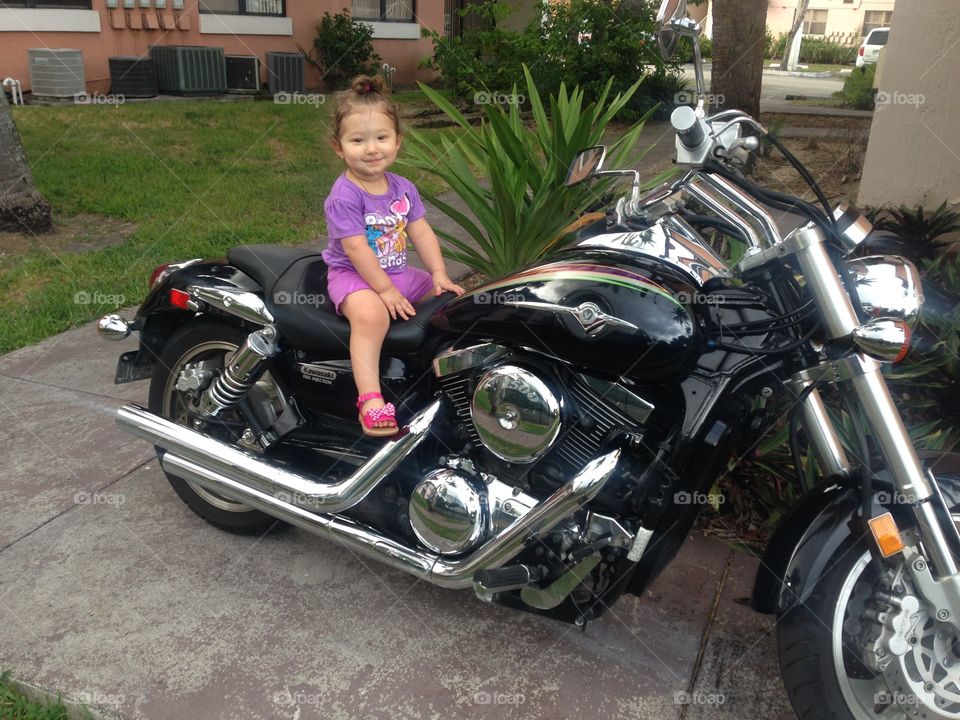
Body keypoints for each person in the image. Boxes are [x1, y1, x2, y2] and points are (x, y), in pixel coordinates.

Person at [323, 75, 464, 437]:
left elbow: (420, 230)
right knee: (371, 317)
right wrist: (384, 291)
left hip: (397, 273)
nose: (371, 149)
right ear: (339, 147)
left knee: (449, 302)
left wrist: (438, 273)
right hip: (352, 275)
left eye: (381, 138)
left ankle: (433, 375)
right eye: (358, 140)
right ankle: (369, 399)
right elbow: (355, 248)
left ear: (397, 142)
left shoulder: (403, 188)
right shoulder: (345, 196)